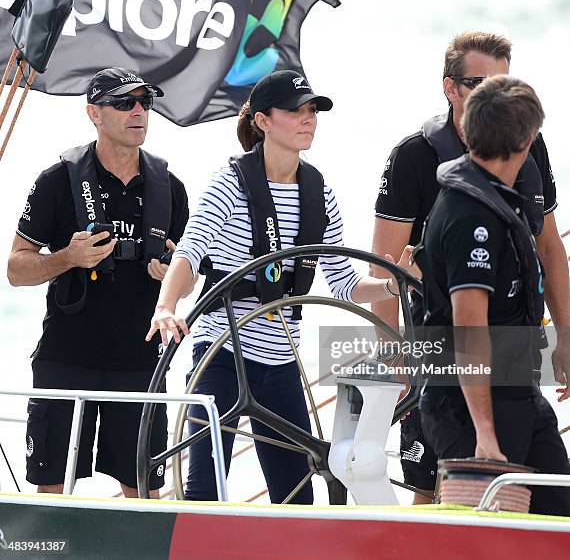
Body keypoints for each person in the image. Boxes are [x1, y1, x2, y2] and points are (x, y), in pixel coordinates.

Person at [146, 69, 415, 503]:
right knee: (203, 490)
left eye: (312, 111)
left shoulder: (319, 192)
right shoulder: (229, 182)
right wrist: (166, 306)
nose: (308, 119)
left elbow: (344, 284)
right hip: (221, 353)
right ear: (263, 121)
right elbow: (190, 251)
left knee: (297, 496)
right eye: (296, 111)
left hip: (281, 361)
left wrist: (393, 286)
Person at [371, 31, 570, 503]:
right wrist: (392, 358)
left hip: (515, 362)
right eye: (480, 82)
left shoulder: (528, 155)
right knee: (435, 494)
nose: (492, 94)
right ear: (451, 88)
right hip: (442, 358)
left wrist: (564, 337)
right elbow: (385, 271)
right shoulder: (419, 161)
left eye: (502, 83)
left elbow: (550, 250)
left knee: (551, 505)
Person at [7, 67, 189, 498]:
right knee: (53, 492)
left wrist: (173, 277)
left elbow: (192, 274)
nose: (139, 112)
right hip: (67, 356)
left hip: (141, 360)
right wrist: (68, 257)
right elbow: (16, 268)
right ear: (94, 113)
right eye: (125, 103)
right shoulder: (57, 181)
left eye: (145, 103)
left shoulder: (171, 189)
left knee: (143, 493)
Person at [417, 74, 570, 516]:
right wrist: (484, 434)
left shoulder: (495, 194)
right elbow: (469, 329)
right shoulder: (470, 215)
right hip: (468, 410)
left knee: (558, 520)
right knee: (484, 540)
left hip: (517, 392)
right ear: (527, 141)